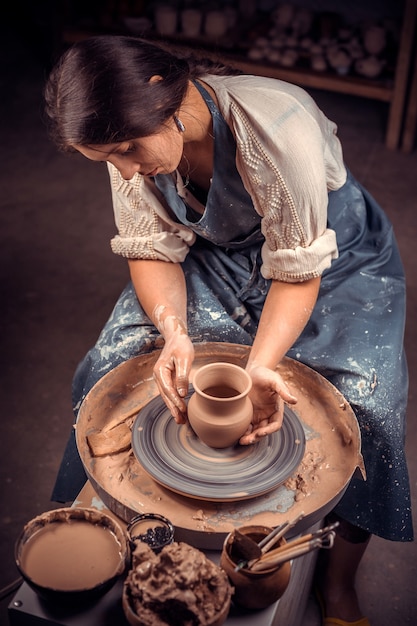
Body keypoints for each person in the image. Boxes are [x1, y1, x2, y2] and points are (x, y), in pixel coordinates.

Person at [44, 35, 413, 626]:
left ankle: (339, 581)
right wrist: (175, 333)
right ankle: (108, 535)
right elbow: (152, 251)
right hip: (216, 250)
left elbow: (296, 270)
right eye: (110, 159)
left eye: (127, 150)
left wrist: (260, 366)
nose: (127, 170)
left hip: (329, 258)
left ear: (160, 91)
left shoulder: (275, 126)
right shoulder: (133, 142)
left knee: (368, 408)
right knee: (110, 365)